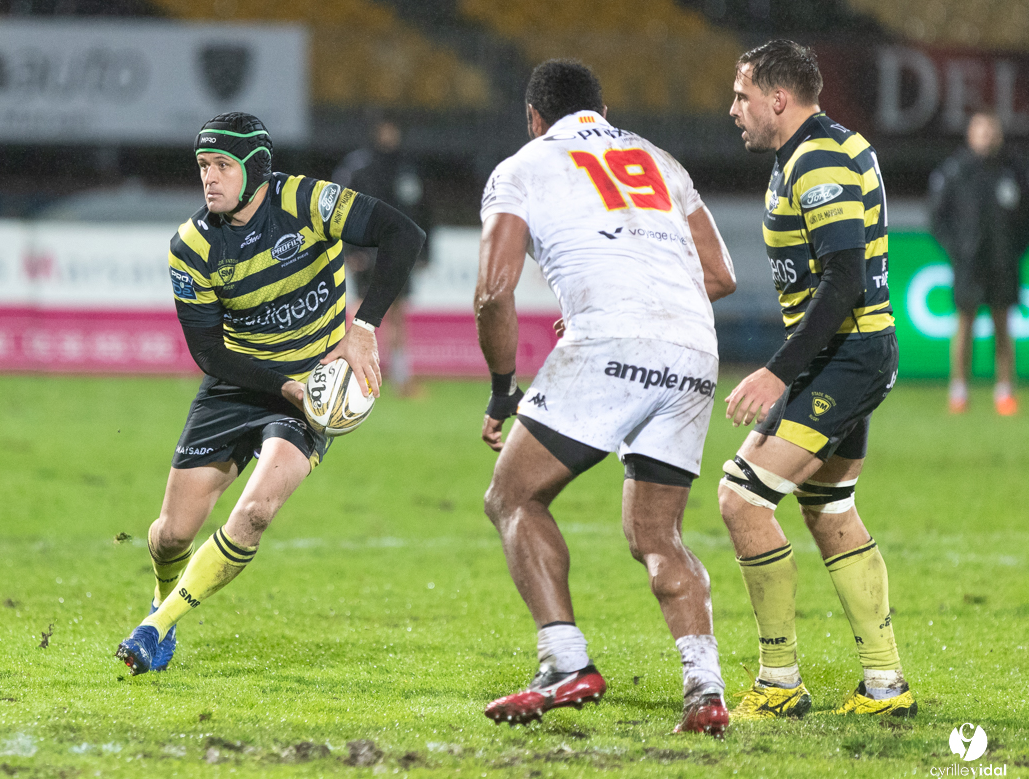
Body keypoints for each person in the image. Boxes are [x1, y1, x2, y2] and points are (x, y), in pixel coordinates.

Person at [475, 59, 737, 735]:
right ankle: (705, 690)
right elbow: (721, 273)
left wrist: (504, 389)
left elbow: (493, 291)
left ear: (535, 118)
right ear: (603, 108)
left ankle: (565, 662)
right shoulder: (659, 159)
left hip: (612, 342)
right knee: (656, 532)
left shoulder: (523, 165)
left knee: (512, 496)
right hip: (695, 348)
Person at [115, 112, 425, 674]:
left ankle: (155, 628)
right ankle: (160, 600)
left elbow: (404, 234)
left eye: (221, 167)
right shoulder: (190, 247)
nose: (209, 178)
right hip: (242, 383)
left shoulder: (308, 202)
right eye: (203, 167)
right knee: (169, 536)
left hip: (314, 384)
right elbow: (209, 353)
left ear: (254, 171)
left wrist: (363, 327)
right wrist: (285, 385)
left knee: (254, 513)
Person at [722, 39, 915, 718]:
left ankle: (779, 682)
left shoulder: (820, 157)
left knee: (742, 499)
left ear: (780, 98)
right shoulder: (811, 151)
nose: (733, 110)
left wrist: (779, 372)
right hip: (850, 352)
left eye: (742, 96)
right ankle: (886, 687)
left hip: (849, 354)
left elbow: (843, 278)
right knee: (828, 509)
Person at [929, 111, 1029, 416]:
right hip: (969, 265)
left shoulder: (1014, 169)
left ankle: (1004, 392)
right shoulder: (956, 170)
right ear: (970, 135)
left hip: (1003, 262)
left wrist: (1015, 249)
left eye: (990, 131)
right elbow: (937, 218)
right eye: (980, 130)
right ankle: (959, 391)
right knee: (965, 325)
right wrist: (957, 252)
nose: (986, 136)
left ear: (998, 134)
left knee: (1003, 326)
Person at [333, 115, 428, 396]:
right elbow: (340, 208)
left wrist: (423, 251)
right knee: (360, 312)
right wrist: (351, 250)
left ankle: (401, 378)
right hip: (366, 253)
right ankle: (346, 375)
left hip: (398, 252)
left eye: (393, 130)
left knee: (398, 315)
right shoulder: (357, 167)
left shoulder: (408, 168)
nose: (389, 135)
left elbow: (423, 210)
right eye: (384, 130)